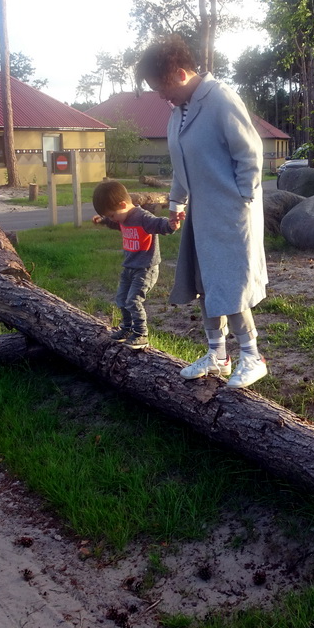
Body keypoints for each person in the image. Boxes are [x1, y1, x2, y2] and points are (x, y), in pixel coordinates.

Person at [135, 34, 269, 388]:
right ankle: (218, 356)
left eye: (162, 87)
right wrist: (177, 203)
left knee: (231, 284)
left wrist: (241, 198)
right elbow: (181, 163)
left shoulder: (220, 99)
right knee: (206, 284)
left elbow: (250, 152)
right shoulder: (179, 112)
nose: (162, 96)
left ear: (180, 73)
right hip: (201, 215)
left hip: (230, 213)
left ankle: (253, 357)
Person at [92, 179, 180, 350]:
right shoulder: (122, 218)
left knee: (133, 300)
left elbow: (159, 224)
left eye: (111, 214)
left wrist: (171, 225)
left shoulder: (142, 217)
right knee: (121, 299)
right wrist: (103, 221)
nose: (112, 218)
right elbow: (115, 223)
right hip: (129, 266)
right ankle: (126, 328)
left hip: (145, 268)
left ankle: (141, 334)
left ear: (123, 204)